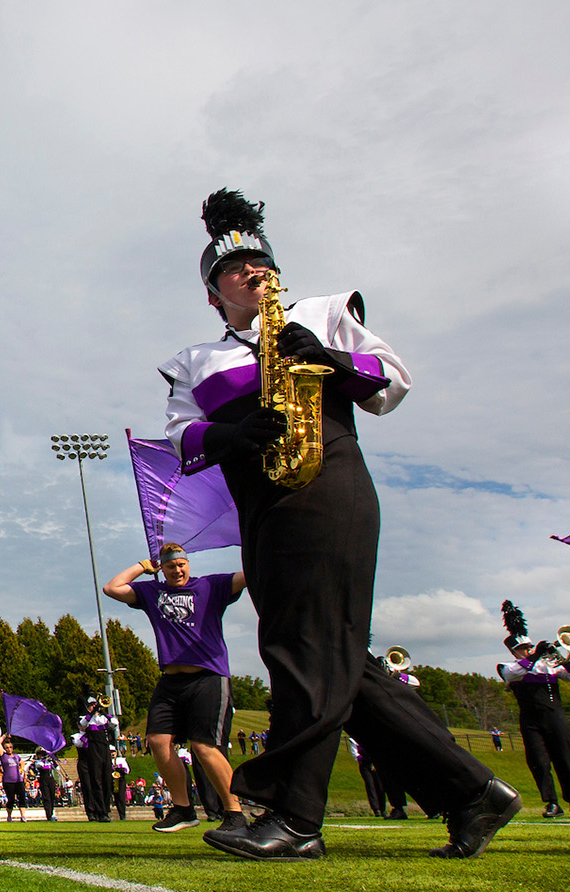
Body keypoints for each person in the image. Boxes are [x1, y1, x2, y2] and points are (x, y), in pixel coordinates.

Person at [161, 190, 517, 860]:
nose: (252, 270)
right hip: (260, 499)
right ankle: (472, 792)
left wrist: (330, 360)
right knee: (332, 654)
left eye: (260, 261)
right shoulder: (193, 360)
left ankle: (295, 817)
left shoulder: (324, 310)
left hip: (328, 483)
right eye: (234, 268)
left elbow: (392, 384)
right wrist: (236, 430)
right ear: (213, 293)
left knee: (302, 649)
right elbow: (182, 438)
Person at [102, 544, 247, 834]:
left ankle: (235, 813)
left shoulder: (211, 586)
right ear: (163, 569)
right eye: (171, 566)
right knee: (157, 741)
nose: (178, 570)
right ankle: (183, 809)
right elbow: (111, 588)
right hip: (170, 680)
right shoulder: (152, 593)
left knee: (203, 747)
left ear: (188, 564)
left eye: (182, 564)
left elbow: (250, 575)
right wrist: (144, 566)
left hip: (208, 676)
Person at [497, 601, 570, 819]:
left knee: (565, 758)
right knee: (538, 761)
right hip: (530, 720)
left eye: (530, 647)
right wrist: (535, 655)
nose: (528, 650)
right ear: (514, 651)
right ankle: (552, 803)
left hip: (555, 717)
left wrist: (559, 656)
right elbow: (512, 674)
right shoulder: (509, 666)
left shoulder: (549, 665)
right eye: (523, 649)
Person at [73, 696, 117, 822]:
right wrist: (91, 714)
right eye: (91, 705)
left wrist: (104, 712)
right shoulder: (86, 718)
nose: (94, 707)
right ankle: (99, 811)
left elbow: (114, 723)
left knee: (107, 780)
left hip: (104, 748)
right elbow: (82, 725)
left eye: (95, 704)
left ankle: (106, 809)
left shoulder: (102, 718)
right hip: (93, 749)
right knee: (96, 780)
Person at [0, 739, 28, 822]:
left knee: (22, 798)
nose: (9, 749)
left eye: (10, 747)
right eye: (7, 747)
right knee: (11, 799)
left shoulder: (16, 756)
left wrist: (22, 768)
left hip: (18, 780)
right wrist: (5, 735)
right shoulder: (3, 756)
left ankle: (23, 816)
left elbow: (22, 762)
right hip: (8, 781)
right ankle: (9, 816)